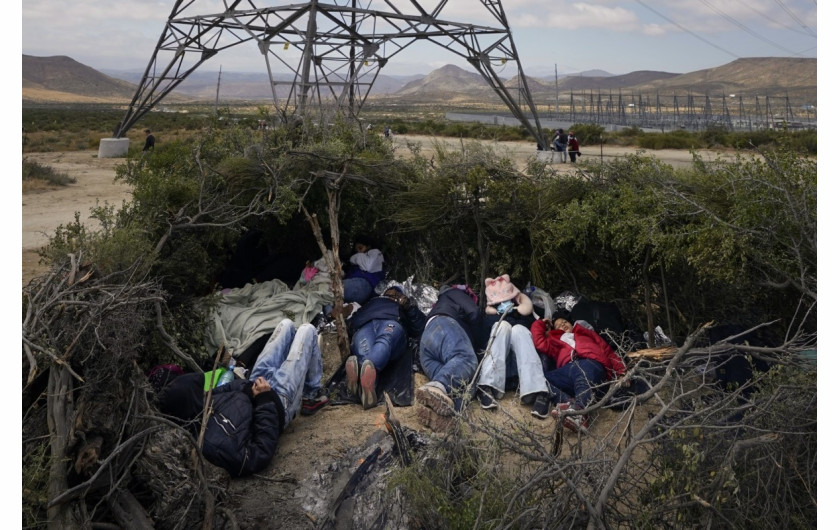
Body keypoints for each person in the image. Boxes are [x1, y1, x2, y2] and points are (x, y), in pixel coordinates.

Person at [159, 319, 328, 477]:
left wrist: (249, 389)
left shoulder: (204, 401)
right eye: (199, 391)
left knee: (286, 325)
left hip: (255, 385)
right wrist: (264, 399)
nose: (204, 392)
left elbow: (229, 387)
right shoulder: (215, 443)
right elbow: (259, 453)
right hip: (276, 404)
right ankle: (310, 396)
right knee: (308, 330)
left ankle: (300, 370)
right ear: (189, 401)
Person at [530, 313, 626, 432]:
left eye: (564, 322)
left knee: (582, 370)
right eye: (558, 325)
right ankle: (570, 403)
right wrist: (542, 323)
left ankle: (579, 412)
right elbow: (538, 341)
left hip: (592, 364)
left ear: (571, 323)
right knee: (541, 378)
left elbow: (609, 352)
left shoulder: (586, 333)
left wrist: (622, 372)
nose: (563, 325)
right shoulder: (554, 341)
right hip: (568, 369)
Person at [476, 275, 552, 419]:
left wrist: (522, 304)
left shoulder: (525, 316)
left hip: (521, 373)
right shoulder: (489, 318)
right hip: (498, 370)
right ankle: (486, 385)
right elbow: (483, 342)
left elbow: (536, 335)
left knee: (519, 330)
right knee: (502, 326)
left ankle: (538, 390)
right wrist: (498, 317)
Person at [343, 285, 427, 409]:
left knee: (384, 341)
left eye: (395, 294)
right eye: (389, 292)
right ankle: (367, 386)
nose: (391, 293)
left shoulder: (401, 305)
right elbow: (353, 320)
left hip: (391, 322)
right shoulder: (372, 301)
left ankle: (361, 375)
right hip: (365, 325)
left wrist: (409, 306)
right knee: (363, 348)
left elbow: (420, 327)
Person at [416, 283, 483, 427]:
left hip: (427, 346)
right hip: (443, 326)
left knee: (464, 384)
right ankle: (435, 386)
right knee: (468, 359)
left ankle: (439, 416)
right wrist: (479, 346)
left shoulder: (439, 304)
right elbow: (474, 312)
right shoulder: (453, 293)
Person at [343, 235, 386, 305]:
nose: (358, 251)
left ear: (368, 246)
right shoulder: (356, 263)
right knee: (326, 295)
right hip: (356, 288)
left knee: (330, 288)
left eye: (360, 248)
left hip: (364, 284)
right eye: (356, 250)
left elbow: (368, 266)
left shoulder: (375, 252)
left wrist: (353, 258)